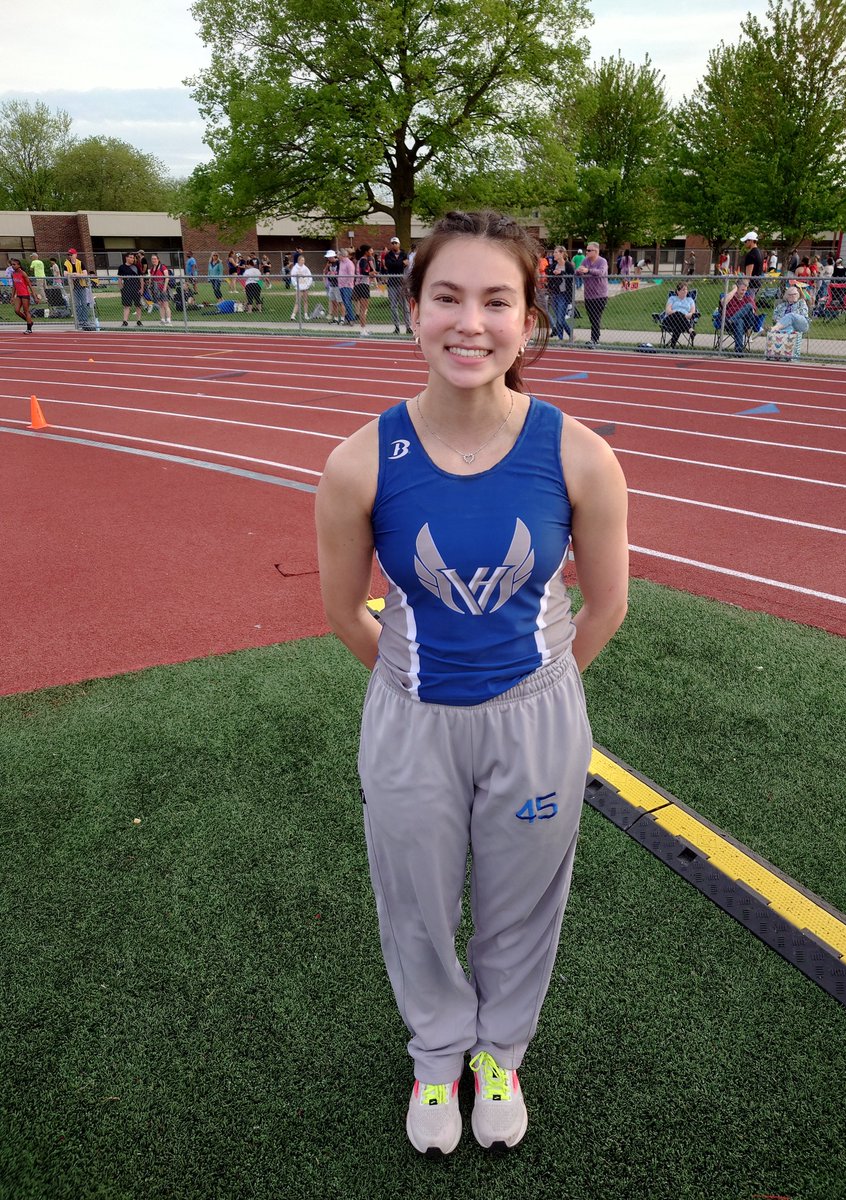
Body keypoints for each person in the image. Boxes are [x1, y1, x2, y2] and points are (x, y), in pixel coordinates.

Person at [314, 208, 629, 1158]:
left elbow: (606, 606)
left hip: (536, 720)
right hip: (411, 719)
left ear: (530, 319)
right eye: (447, 296)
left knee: (522, 902)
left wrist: (535, 699)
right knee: (414, 900)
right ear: (412, 309)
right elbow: (342, 613)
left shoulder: (578, 454)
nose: (471, 322)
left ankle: (500, 1052)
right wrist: (421, 690)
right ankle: (438, 1052)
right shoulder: (358, 461)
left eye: (498, 300)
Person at [575, 241, 608, 347]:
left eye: (589, 250)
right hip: (588, 295)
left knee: (596, 317)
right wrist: (580, 270)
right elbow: (577, 272)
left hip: (600, 295)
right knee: (592, 317)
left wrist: (587, 270)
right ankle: (595, 338)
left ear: (596, 251)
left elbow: (600, 272)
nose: (587, 252)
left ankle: (594, 339)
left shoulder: (602, 261)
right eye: (587, 250)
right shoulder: (586, 260)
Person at [382, 235, 412, 334]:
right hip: (392, 283)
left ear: (399, 244)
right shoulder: (388, 255)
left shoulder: (404, 254)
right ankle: (397, 327)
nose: (394, 245)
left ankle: (408, 326)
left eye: (396, 243)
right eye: (392, 243)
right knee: (393, 306)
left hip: (402, 283)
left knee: (405, 306)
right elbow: (389, 266)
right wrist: (401, 264)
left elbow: (406, 264)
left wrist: (399, 264)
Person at [545, 245, 574, 341]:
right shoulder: (554, 264)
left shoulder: (568, 265)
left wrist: (561, 273)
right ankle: (563, 338)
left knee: (560, 319)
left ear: (561, 254)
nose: (554, 254)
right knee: (559, 318)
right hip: (554, 293)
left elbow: (572, 277)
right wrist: (550, 271)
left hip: (564, 294)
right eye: (554, 252)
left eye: (556, 252)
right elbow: (548, 272)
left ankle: (567, 336)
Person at [722, 277, 758, 354]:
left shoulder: (748, 298)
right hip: (733, 325)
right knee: (739, 321)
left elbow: (753, 311)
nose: (744, 292)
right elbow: (723, 302)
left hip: (747, 322)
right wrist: (734, 290)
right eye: (742, 290)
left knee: (748, 305)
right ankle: (738, 350)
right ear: (737, 288)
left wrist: (742, 312)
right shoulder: (730, 297)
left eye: (745, 290)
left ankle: (732, 320)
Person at [63, 247, 95, 330]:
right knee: (77, 305)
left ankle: (85, 320)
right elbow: (65, 274)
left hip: (81, 285)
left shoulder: (80, 263)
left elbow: (85, 274)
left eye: (71, 254)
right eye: (69, 255)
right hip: (73, 287)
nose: (70, 256)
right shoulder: (66, 263)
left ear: (75, 255)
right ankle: (79, 321)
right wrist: (72, 274)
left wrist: (77, 275)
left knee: (84, 304)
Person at [661, 282, 696, 348]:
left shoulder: (690, 300)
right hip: (670, 320)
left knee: (678, 325)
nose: (685, 291)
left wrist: (684, 316)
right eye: (683, 289)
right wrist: (681, 315)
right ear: (678, 291)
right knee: (678, 313)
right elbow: (668, 311)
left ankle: (672, 347)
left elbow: (692, 313)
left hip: (682, 323)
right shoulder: (672, 298)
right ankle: (690, 330)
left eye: (686, 289)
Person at [9, 258, 38, 333]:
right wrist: (12, 297)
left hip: (25, 294)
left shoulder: (23, 273)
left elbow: (30, 285)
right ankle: (29, 322)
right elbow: (14, 286)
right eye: (12, 264)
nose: (13, 266)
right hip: (18, 295)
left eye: (14, 264)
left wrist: (34, 296)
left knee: (26, 311)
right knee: (17, 310)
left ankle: (29, 329)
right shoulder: (13, 274)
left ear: (19, 265)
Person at [117, 252, 143, 327]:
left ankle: (139, 321)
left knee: (138, 305)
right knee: (126, 305)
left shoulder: (136, 266)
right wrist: (121, 288)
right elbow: (120, 278)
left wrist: (141, 288)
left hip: (136, 288)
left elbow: (141, 278)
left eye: (133, 258)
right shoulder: (121, 267)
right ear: (126, 258)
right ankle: (125, 321)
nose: (132, 259)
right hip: (127, 288)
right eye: (131, 257)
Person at [354, 244, 375, 335]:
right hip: (361, 284)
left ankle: (364, 328)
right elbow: (363, 272)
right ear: (366, 252)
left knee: (365, 308)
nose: (372, 252)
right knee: (363, 309)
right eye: (370, 250)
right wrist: (371, 273)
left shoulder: (365, 260)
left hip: (364, 284)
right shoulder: (363, 260)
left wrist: (371, 273)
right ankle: (362, 330)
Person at [148, 254, 172, 324]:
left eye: (155, 259)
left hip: (163, 287)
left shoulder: (163, 267)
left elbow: (167, 277)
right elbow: (151, 278)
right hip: (156, 288)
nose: (154, 260)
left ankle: (168, 319)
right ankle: (162, 319)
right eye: (152, 259)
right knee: (160, 304)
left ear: (158, 260)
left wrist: (165, 287)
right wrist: (150, 285)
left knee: (165, 304)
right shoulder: (152, 269)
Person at [290, 254, 313, 319]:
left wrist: (308, 284)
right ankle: (293, 315)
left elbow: (309, 276)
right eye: (302, 260)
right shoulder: (295, 268)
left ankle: (306, 315)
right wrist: (296, 285)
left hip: (305, 287)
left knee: (305, 301)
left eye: (304, 260)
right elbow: (293, 277)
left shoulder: (306, 268)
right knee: (297, 301)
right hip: (299, 287)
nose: (303, 261)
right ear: (299, 260)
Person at [337, 248, 356, 324]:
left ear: (342, 255)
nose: (337, 256)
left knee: (347, 302)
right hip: (341, 285)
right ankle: (348, 318)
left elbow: (351, 276)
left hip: (347, 286)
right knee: (345, 303)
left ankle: (351, 319)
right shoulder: (341, 262)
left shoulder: (349, 263)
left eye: (338, 254)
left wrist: (346, 284)